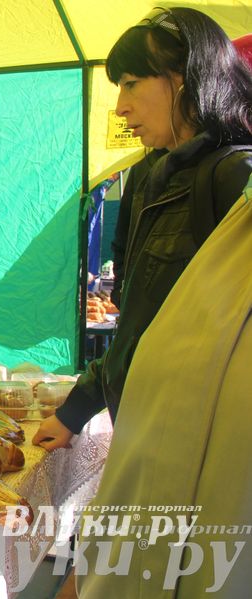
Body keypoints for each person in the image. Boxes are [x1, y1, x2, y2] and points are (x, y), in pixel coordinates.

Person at [34, 7, 252, 451]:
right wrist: (77, 408)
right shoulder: (150, 176)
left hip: (205, 438)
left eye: (132, 83)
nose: (121, 106)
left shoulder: (235, 178)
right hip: (145, 425)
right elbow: (136, 318)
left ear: (187, 76)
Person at [77, 174, 252, 598]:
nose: (121, 107)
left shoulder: (225, 184)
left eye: (134, 99)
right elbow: (136, 332)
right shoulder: (176, 184)